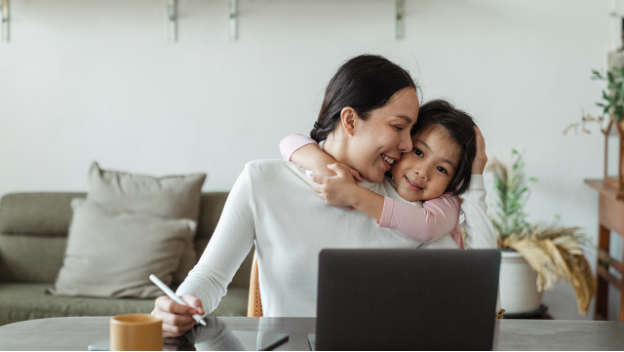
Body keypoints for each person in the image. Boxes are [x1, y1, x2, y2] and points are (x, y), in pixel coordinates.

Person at [152, 55, 496, 337]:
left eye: (411, 131)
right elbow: (211, 277)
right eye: (397, 127)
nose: (407, 145)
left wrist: (476, 179)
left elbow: (477, 295)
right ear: (350, 120)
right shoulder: (264, 181)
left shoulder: (414, 206)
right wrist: (180, 304)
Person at [279, 100, 487, 249]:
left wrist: (353, 195)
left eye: (442, 169)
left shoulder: (446, 200)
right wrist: (326, 166)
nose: (422, 173)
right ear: (403, 144)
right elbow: (289, 141)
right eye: (418, 152)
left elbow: (427, 228)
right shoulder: (379, 175)